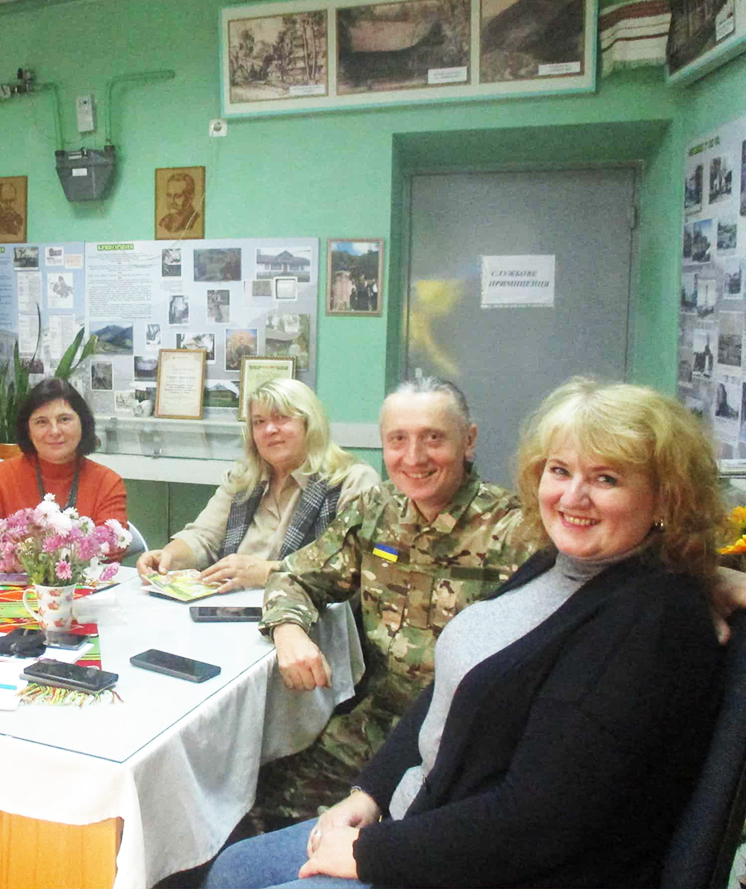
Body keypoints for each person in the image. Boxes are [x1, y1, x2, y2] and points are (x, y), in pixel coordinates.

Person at [207, 379, 724, 888]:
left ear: (665, 498)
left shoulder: (642, 619)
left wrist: (371, 853)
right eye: (560, 471)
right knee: (233, 862)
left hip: (479, 850)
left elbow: (536, 822)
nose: (574, 496)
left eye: (607, 479)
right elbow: (449, 691)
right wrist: (368, 792)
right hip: (418, 788)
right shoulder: (554, 561)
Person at [254, 377, 538, 827]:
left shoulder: (516, 531)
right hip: (378, 727)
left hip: (466, 743)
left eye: (433, 438)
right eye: (397, 440)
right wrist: (288, 631)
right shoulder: (375, 510)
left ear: (469, 441)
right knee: (262, 804)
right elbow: (295, 575)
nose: (414, 458)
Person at [136, 379, 378, 592]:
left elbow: (355, 566)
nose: (269, 430)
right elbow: (203, 537)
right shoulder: (242, 479)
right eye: (259, 422)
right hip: (230, 609)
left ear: (310, 423)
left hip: (309, 619)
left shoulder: (351, 481)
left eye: (282, 418)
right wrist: (168, 556)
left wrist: (268, 572)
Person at [0, 378, 127, 565]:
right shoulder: (3, 477)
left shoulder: (107, 482)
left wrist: (45, 554)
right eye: (41, 422)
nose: (54, 431)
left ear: (83, 424)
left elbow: (113, 546)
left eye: (64, 419)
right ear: (28, 431)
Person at [159, 171, 201, 235]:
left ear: (191, 197)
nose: (172, 201)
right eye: (169, 196)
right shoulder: (163, 222)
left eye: (177, 196)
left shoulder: (196, 221)